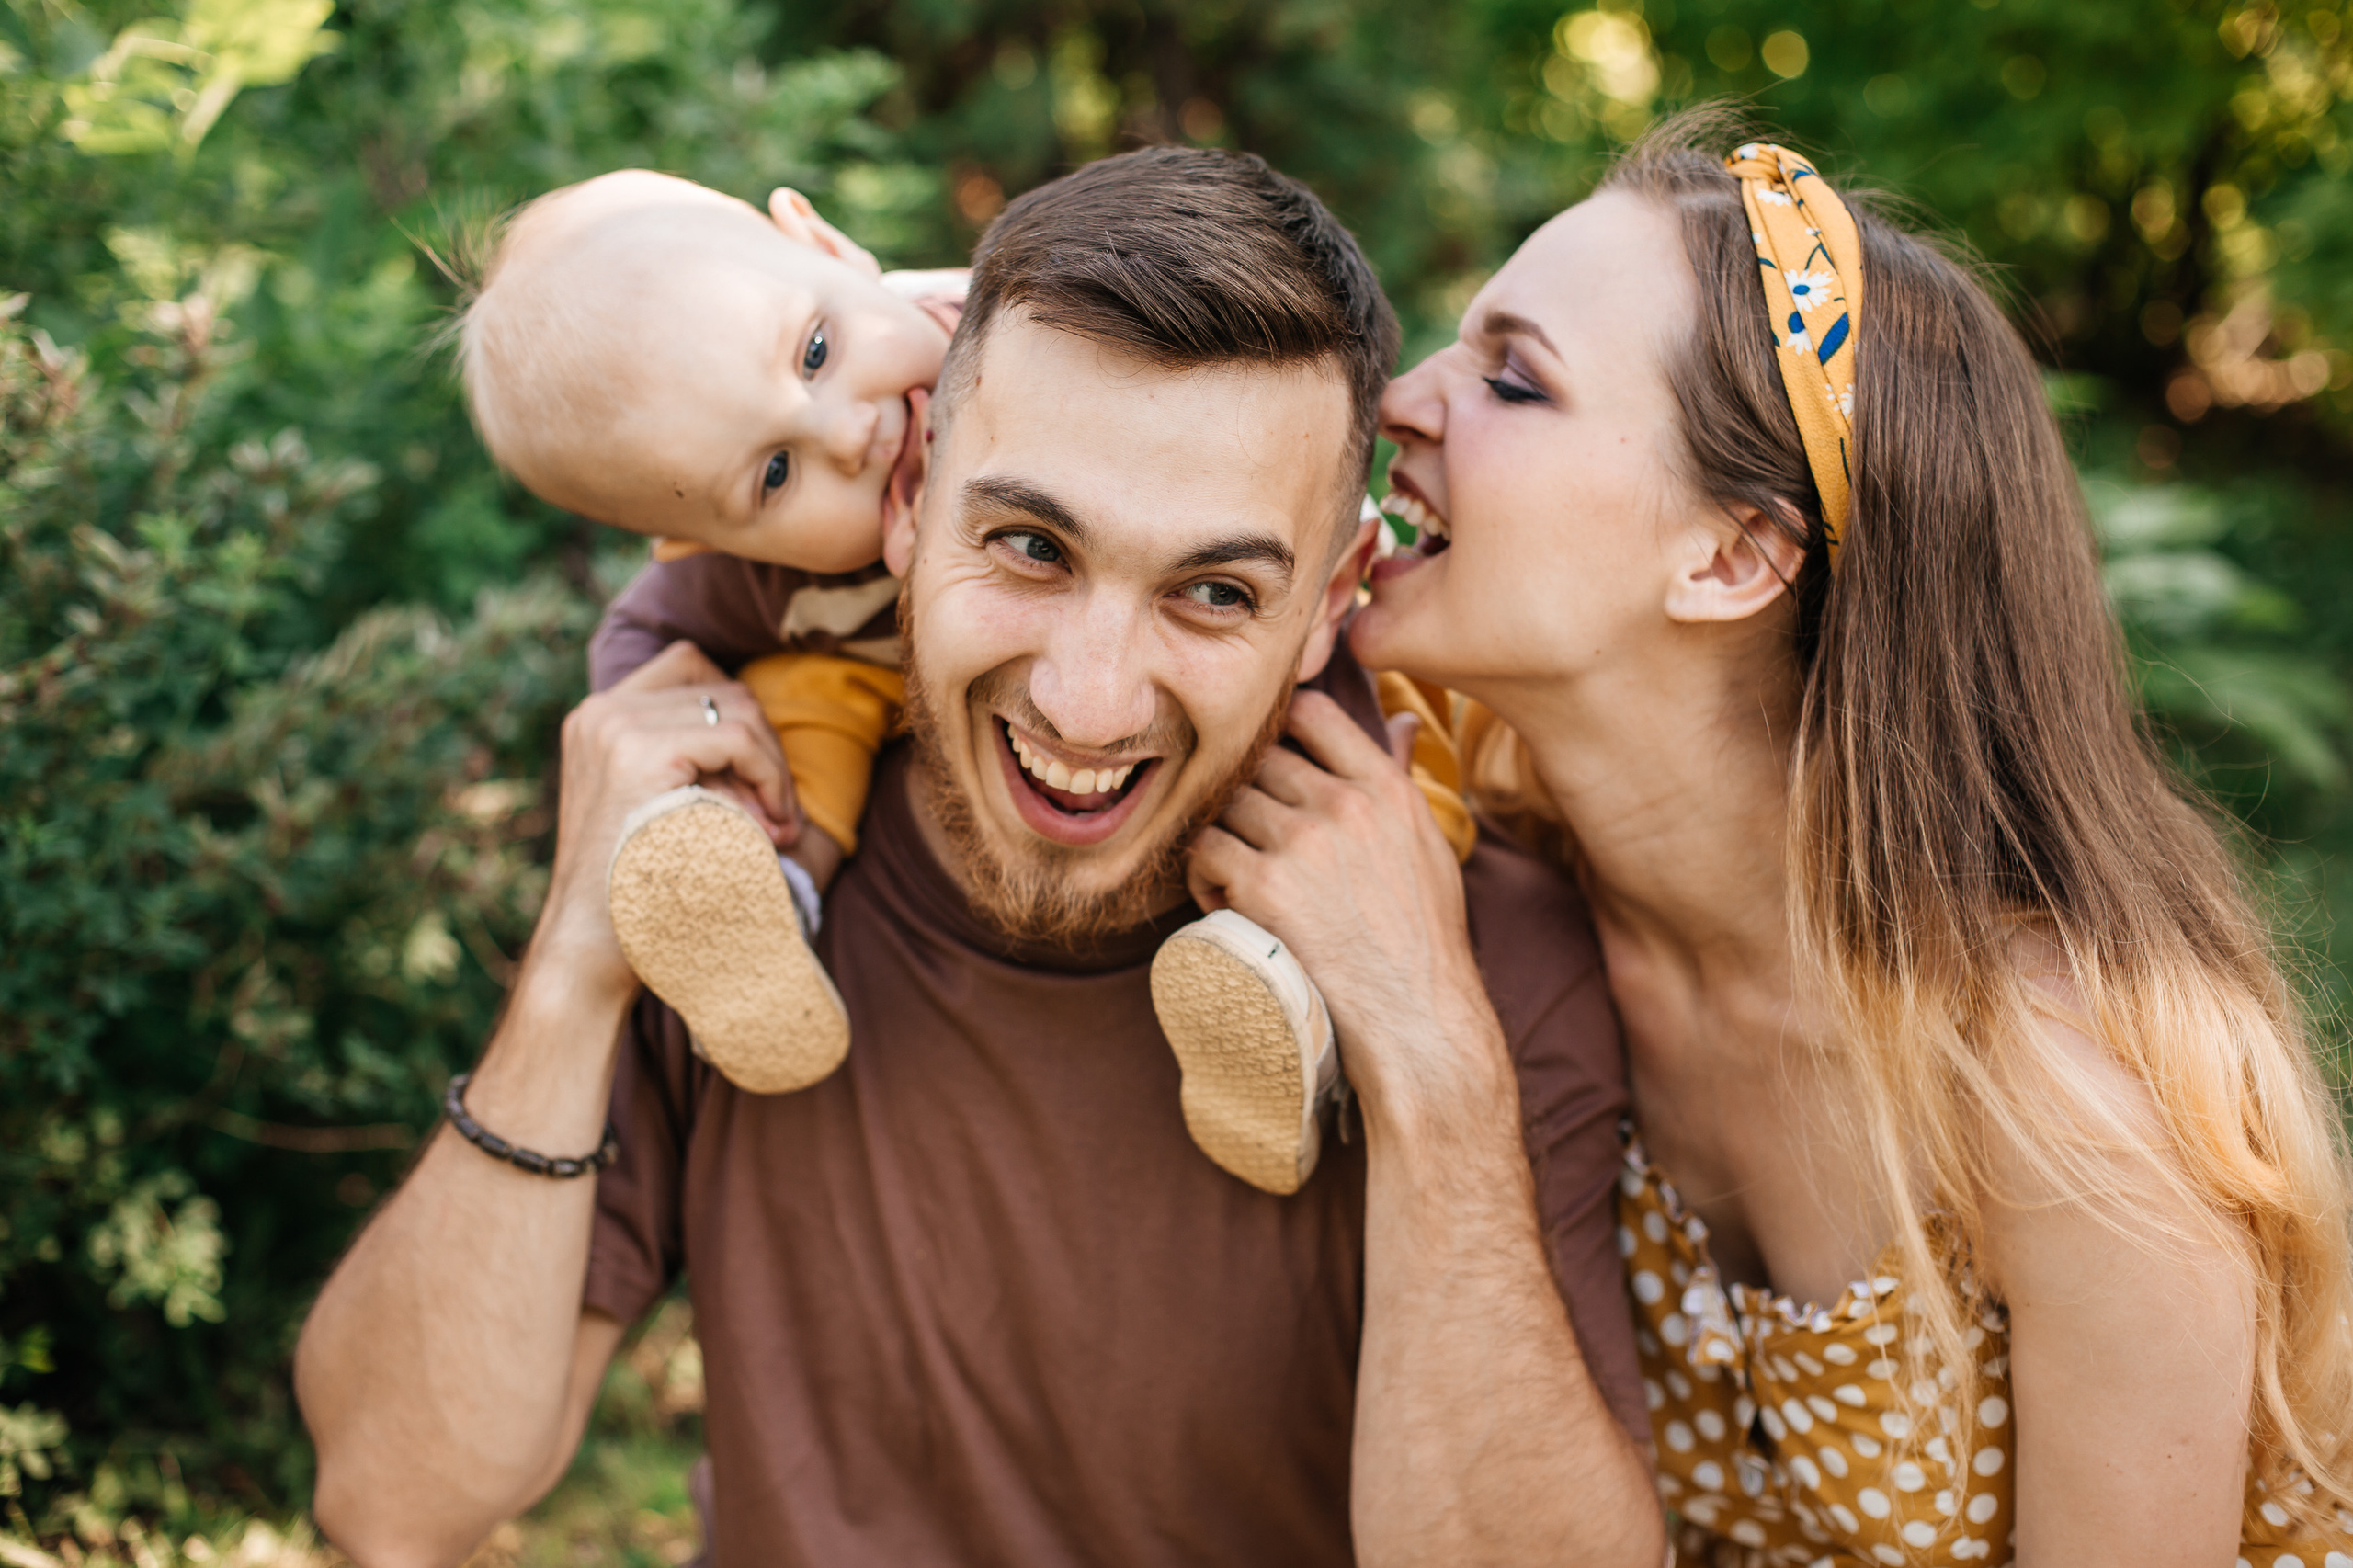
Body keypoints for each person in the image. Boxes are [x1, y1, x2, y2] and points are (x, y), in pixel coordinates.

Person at [293, 147, 1657, 1567]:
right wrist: (577, 965)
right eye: (1028, 545)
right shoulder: (732, 885)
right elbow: (395, 1495)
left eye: (1214, 590)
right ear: (909, 502)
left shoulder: (1482, 956)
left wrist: (1430, 1055)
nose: (1088, 701)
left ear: (1331, 606)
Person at [1197, 109, 2353, 1567]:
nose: (1402, 399)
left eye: (1511, 379)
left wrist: (1433, 1044)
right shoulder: (1457, 840)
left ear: (1732, 555)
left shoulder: (2061, 1108)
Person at [456, 166, 1474, 1192]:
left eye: (816, 351)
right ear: (690, 538)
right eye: (773, 475)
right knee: (798, 712)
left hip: (1307, 789)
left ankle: (1288, 987)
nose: (850, 430)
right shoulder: (751, 576)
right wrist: (648, 782)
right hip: (860, 679)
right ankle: (773, 907)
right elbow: (650, 655)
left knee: (1318, 758)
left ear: (824, 244)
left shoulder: (1018, 326)